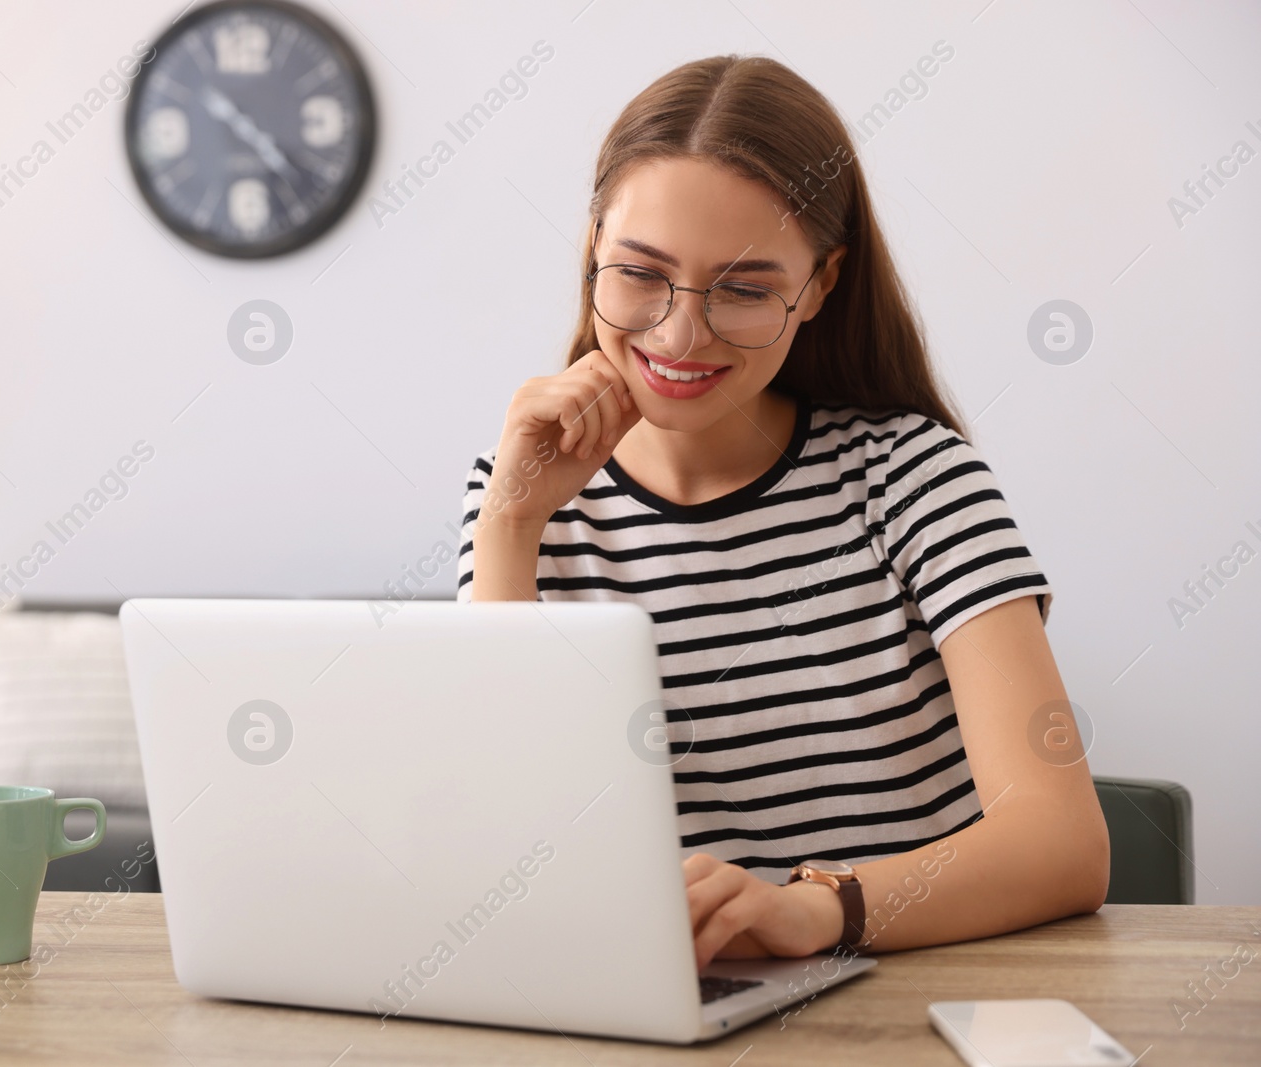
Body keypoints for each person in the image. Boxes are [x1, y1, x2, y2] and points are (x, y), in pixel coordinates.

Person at [457, 55, 1108, 969]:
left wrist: (817, 910)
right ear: (593, 246)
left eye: (747, 288)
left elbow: (1062, 845)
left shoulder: (913, 478)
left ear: (822, 285)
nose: (681, 335)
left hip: (897, 1006)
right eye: (640, 273)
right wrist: (510, 527)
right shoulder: (518, 495)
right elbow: (497, 846)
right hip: (645, 1011)